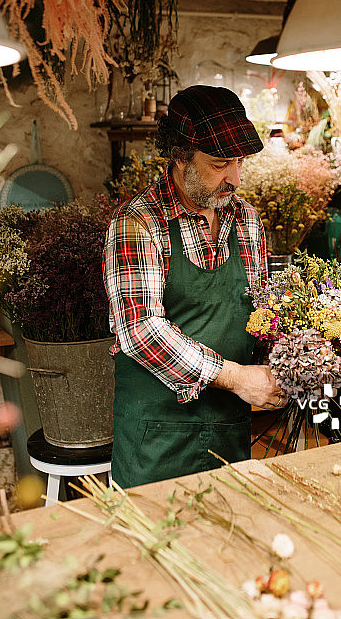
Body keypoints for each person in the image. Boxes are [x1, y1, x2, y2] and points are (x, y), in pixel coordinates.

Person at [103, 84, 284, 488]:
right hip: (156, 443)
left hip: (229, 435)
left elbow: (261, 314)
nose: (234, 178)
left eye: (239, 162)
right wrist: (238, 377)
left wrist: (300, 356)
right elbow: (140, 331)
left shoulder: (247, 221)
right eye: (221, 163)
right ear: (180, 156)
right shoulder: (138, 224)